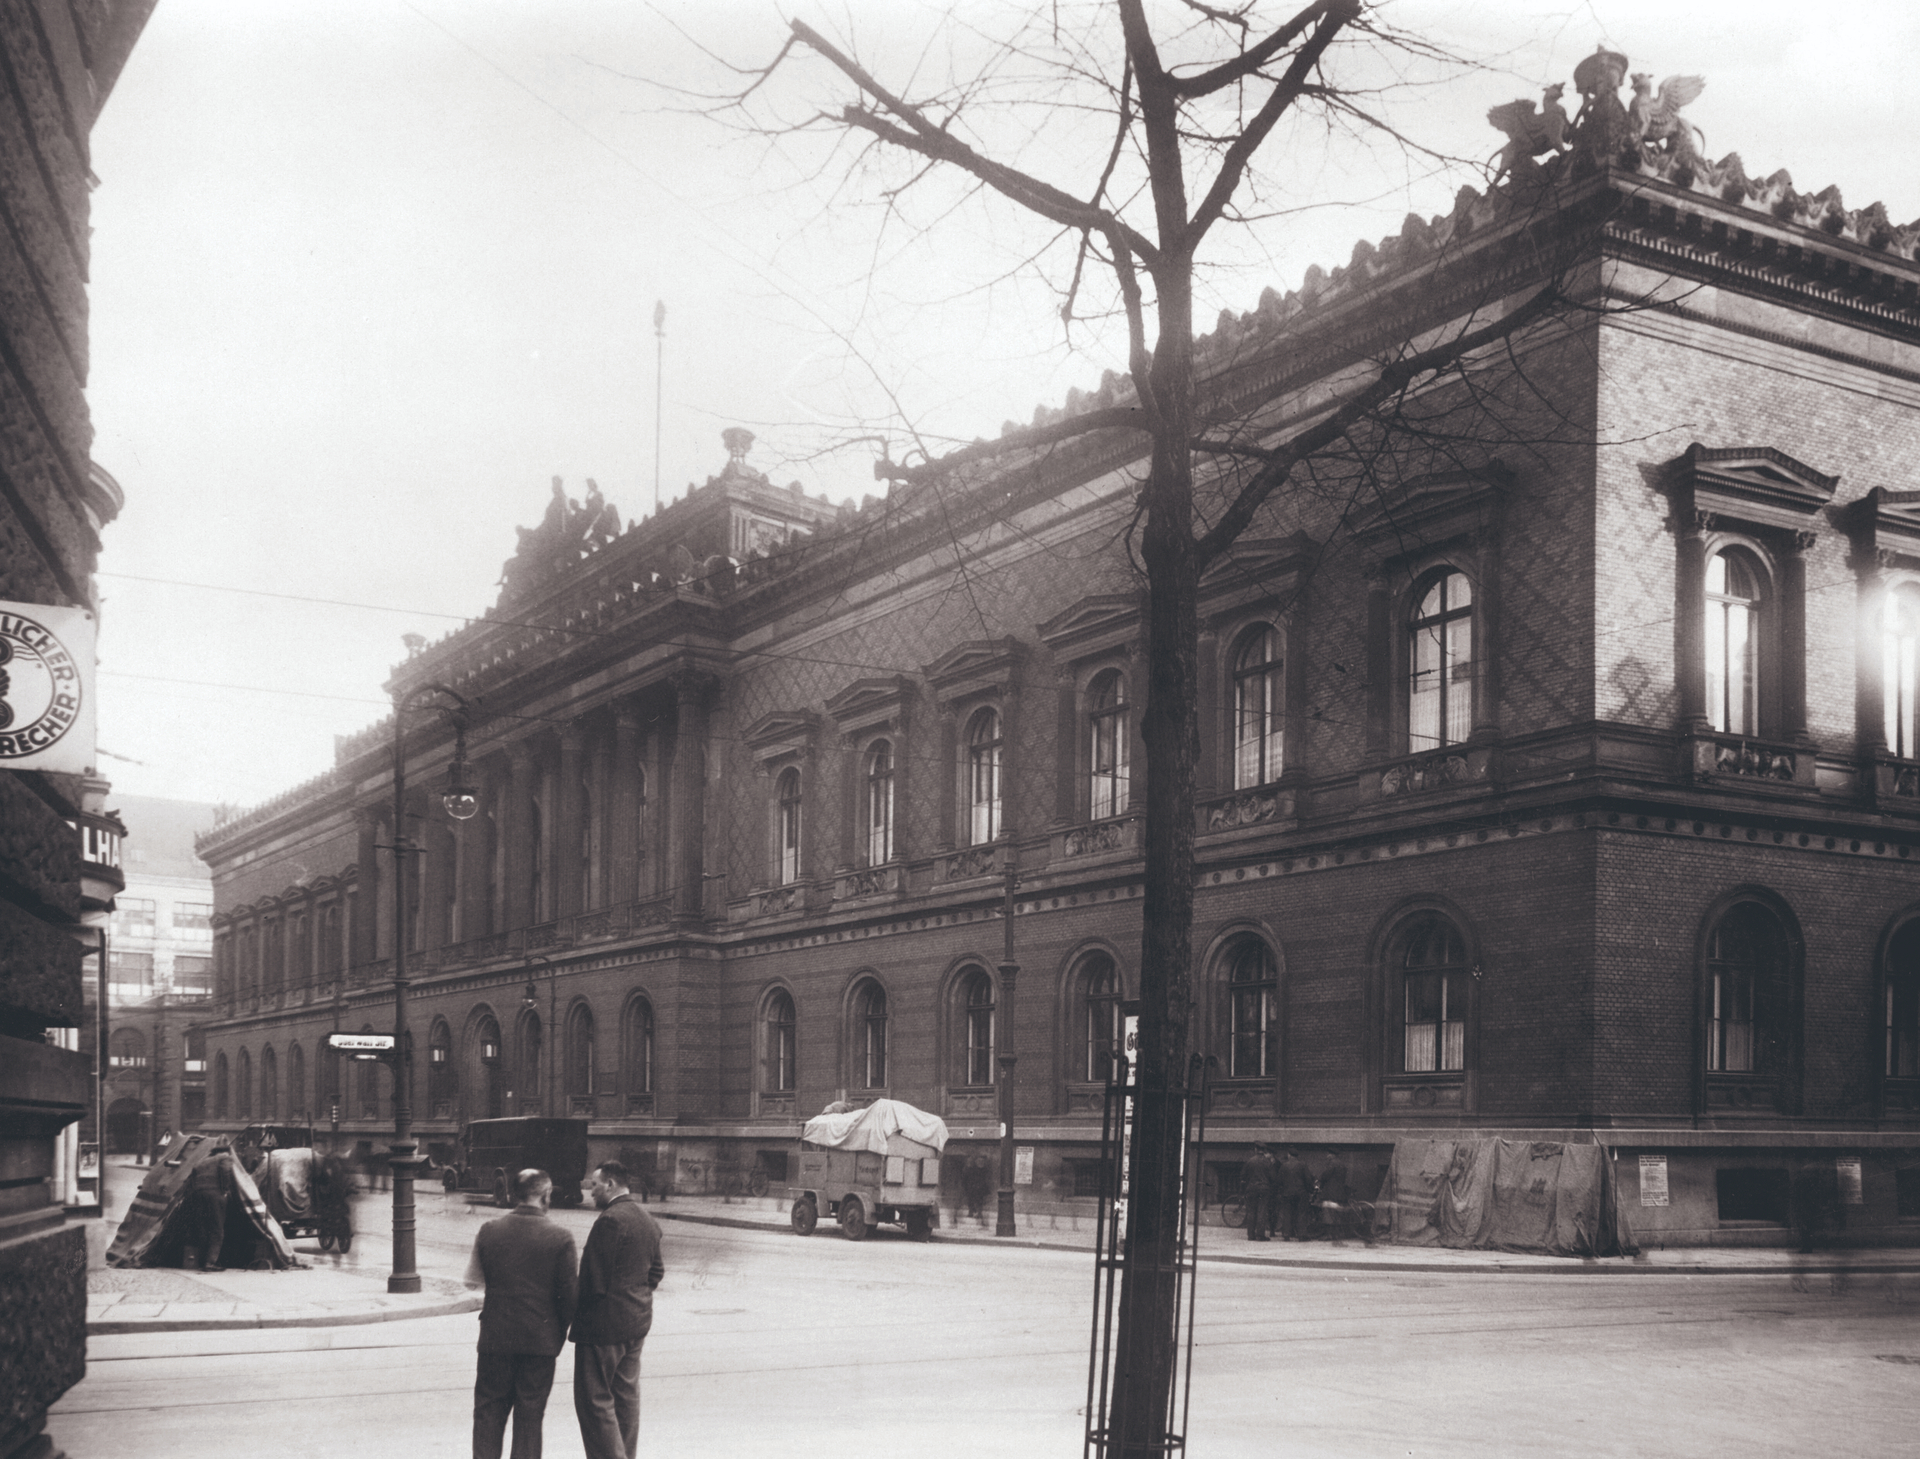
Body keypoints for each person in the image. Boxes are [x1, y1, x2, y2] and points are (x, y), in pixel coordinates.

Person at [466, 1168, 579, 1459]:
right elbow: (569, 1300)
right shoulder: (561, 1237)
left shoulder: (489, 1230)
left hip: (495, 1340)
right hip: (539, 1345)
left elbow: (472, 1280)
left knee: (488, 1415)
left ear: (515, 1195)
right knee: (530, 1419)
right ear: (546, 1195)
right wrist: (556, 1334)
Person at [572, 1160, 665, 1459]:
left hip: (603, 1328)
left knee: (594, 1401)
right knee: (625, 1399)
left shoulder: (610, 1220)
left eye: (595, 1186)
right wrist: (632, 1298)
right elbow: (656, 1273)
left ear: (610, 1184)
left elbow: (592, 1281)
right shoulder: (646, 1219)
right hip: (636, 1325)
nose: (591, 1193)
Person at [182, 1146, 234, 1271]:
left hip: (198, 1195)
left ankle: (200, 1260)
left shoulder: (202, 1161)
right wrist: (225, 1189)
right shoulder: (225, 1157)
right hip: (215, 1195)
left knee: (203, 1227)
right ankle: (210, 1263)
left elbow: (190, 1180)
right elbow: (225, 1171)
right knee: (217, 1229)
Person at [1239, 1143, 1277, 1242]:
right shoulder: (1267, 1162)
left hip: (1251, 1189)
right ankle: (1260, 1235)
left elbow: (1243, 1176)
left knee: (1251, 1212)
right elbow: (1273, 1178)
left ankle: (1250, 1235)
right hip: (1264, 1189)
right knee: (1262, 1211)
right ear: (1263, 1150)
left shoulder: (1250, 1161)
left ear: (1255, 1149)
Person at [1276, 1147, 1311, 1241]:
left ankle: (1286, 1234)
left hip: (1287, 1193)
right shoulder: (1303, 1165)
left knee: (1287, 1213)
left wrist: (1282, 1190)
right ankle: (1301, 1235)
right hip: (1301, 1193)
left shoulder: (1284, 1165)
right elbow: (1308, 1179)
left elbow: (1279, 1180)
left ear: (1289, 1155)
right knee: (1301, 1213)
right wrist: (1309, 1190)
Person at [1317, 1150, 1351, 1240]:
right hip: (1340, 1193)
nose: (1327, 1156)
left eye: (1328, 1154)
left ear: (1332, 1155)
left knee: (1328, 1213)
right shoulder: (1342, 1164)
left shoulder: (1332, 1163)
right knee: (1337, 1214)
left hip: (1330, 1192)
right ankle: (1337, 1235)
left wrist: (1319, 1180)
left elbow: (1325, 1175)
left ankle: (1328, 1235)